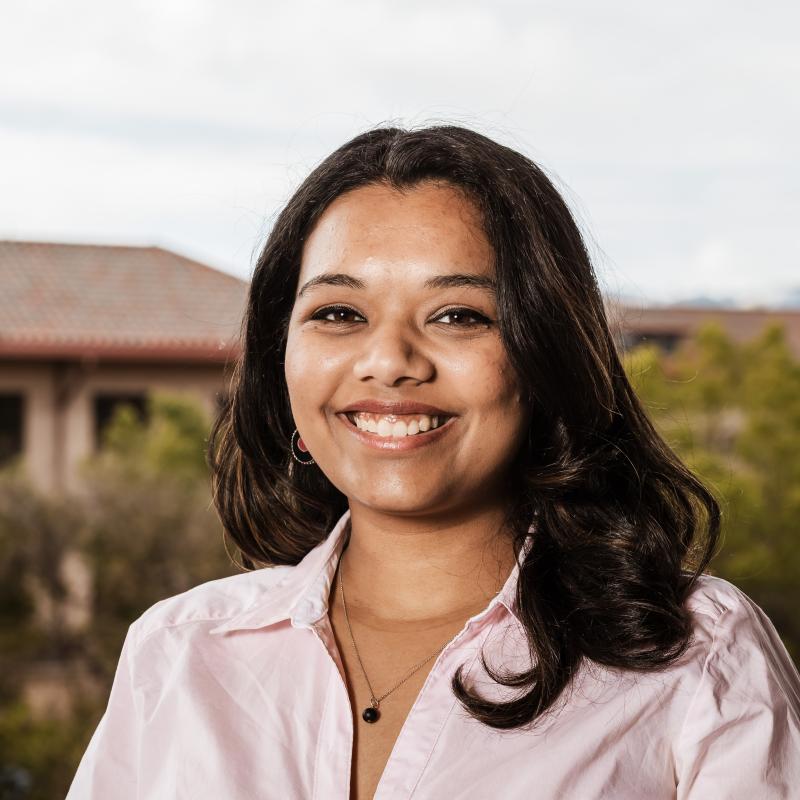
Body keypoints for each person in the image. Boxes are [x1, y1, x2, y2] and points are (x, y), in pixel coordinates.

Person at [66, 125, 800, 800]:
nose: (388, 362)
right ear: (278, 358)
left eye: (458, 315)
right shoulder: (178, 652)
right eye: (339, 314)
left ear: (544, 356)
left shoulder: (696, 653)